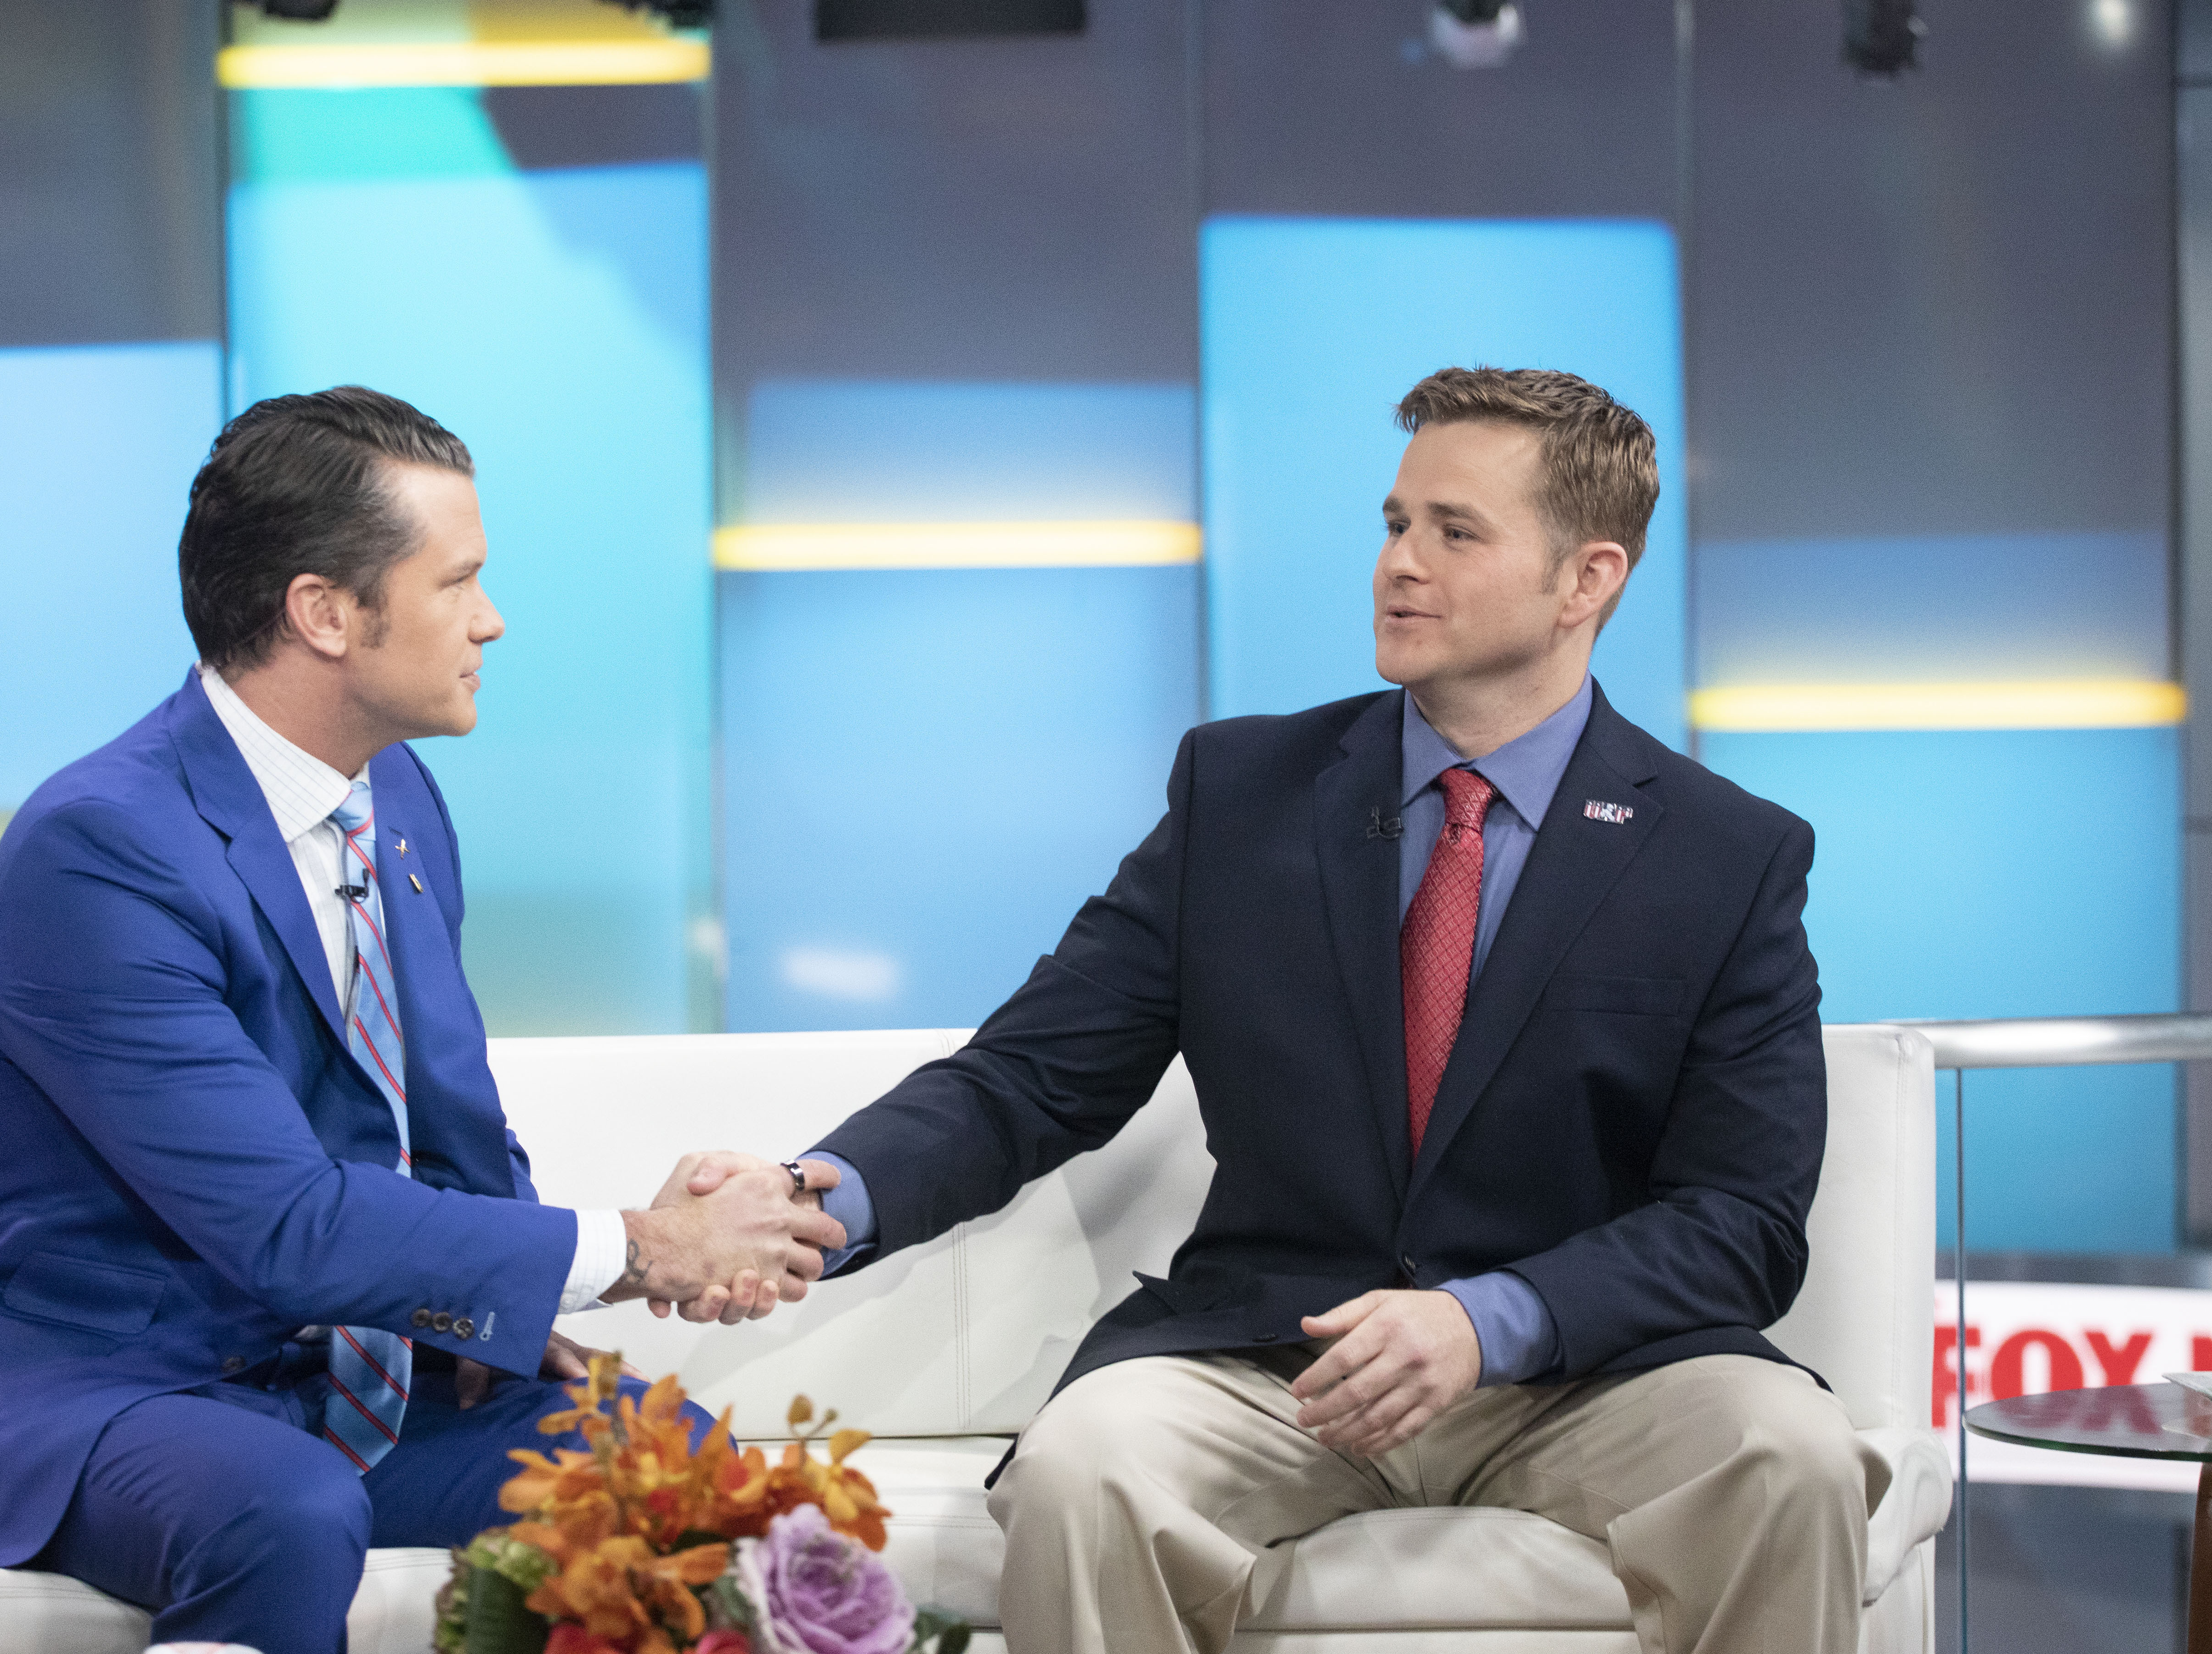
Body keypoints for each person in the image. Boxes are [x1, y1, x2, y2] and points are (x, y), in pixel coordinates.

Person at [743, 367, 1876, 1654]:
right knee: (1088, 1463)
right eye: (1397, 524)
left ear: (1588, 580)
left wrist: (1486, 1318)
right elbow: (1030, 1078)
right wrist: (811, 1199)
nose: (1402, 564)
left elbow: (1740, 1221)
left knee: (1790, 1451)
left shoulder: (1727, 855)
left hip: (1583, 1377)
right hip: (1277, 1365)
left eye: (1457, 532)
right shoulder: (1243, 793)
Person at [0, 387, 845, 1654]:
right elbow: (284, 1224)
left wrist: (521, 1319)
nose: (493, 621)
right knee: (281, 1505)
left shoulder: (403, 800)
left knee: (669, 1467)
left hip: (332, 1376)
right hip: (97, 1386)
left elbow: (450, 1125)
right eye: (458, 584)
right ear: (324, 613)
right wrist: (646, 1246)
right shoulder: (99, 854)